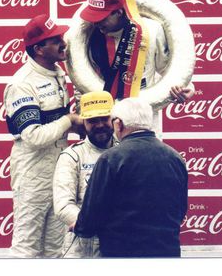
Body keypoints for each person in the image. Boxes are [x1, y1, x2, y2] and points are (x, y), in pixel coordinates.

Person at [3, 14, 83, 258]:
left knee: (55, 249)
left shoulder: (57, 71)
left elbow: (54, 123)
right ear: (38, 49)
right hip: (32, 172)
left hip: (59, 169)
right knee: (26, 248)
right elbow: (34, 136)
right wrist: (69, 120)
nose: (63, 42)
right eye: (55, 39)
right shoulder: (22, 83)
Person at [70, 0, 194, 132]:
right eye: (93, 18)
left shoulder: (151, 30)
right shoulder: (90, 36)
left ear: (118, 12)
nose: (96, 23)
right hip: (105, 121)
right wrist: (81, 112)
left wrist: (185, 88)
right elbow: (82, 80)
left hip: (144, 117)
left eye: (102, 18)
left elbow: (166, 68)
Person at [74, 97, 188, 257]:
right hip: (167, 252)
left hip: (122, 253)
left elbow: (89, 220)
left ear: (119, 124)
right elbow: (181, 210)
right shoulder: (176, 157)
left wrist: (79, 226)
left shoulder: (111, 158)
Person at [53, 90, 114, 258]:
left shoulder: (126, 151)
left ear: (114, 118)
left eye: (104, 118)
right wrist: (91, 224)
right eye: (92, 120)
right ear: (83, 122)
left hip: (117, 244)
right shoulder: (72, 156)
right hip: (82, 247)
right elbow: (63, 206)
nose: (100, 125)